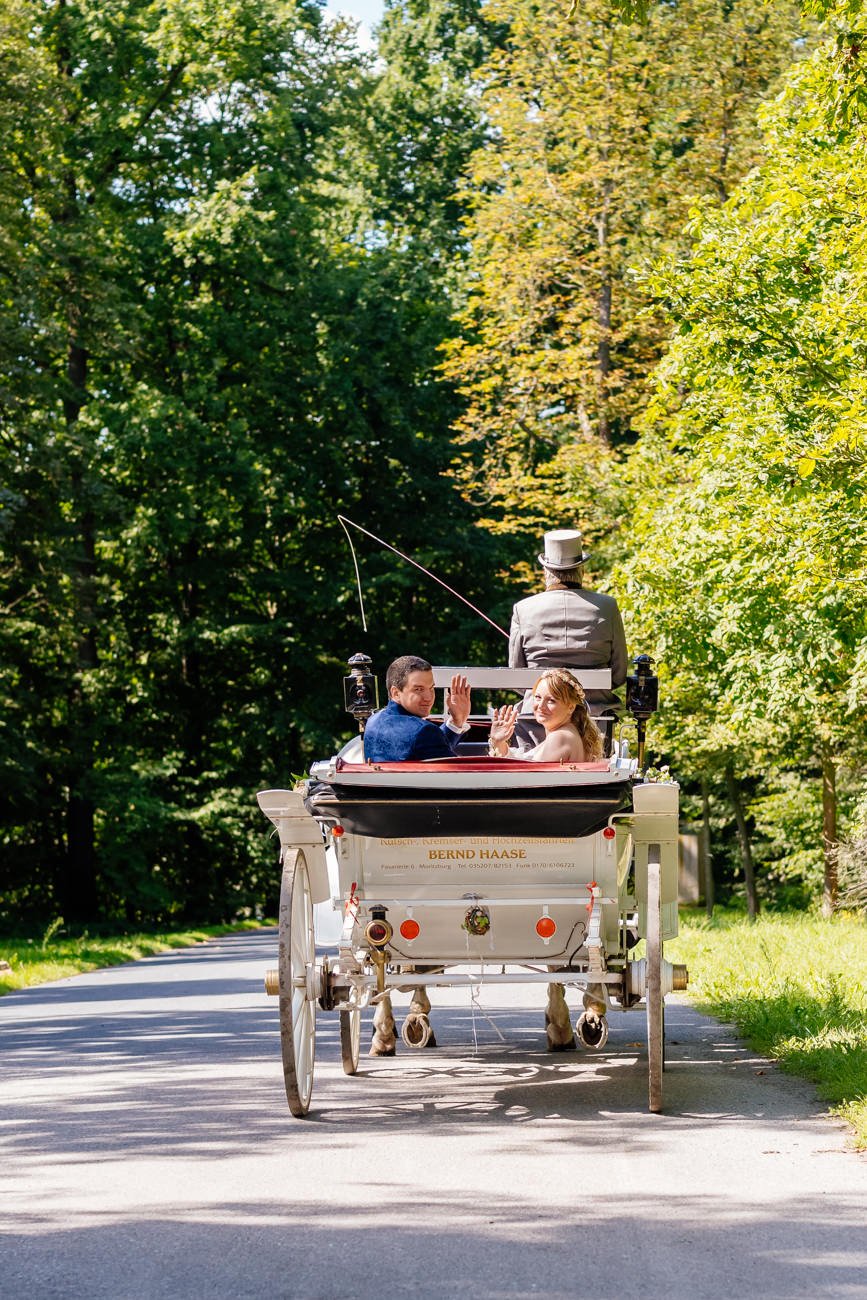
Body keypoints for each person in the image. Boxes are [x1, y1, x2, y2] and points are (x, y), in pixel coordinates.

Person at [508, 528, 627, 748]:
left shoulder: (523, 609)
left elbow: (518, 675)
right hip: (594, 718)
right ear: (580, 569)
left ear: (546, 571)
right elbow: (618, 674)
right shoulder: (607, 606)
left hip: (536, 721)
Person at [363, 656, 472, 763]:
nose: (429, 697)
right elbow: (458, 774)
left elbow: (426, 747)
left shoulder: (372, 721)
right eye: (418, 689)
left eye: (431, 688)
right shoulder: (424, 732)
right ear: (396, 693)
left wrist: (456, 721)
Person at [487, 668, 604, 763]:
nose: (541, 706)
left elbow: (525, 779)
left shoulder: (560, 737)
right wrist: (498, 742)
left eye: (551, 700)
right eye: (538, 697)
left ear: (571, 707)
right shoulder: (564, 733)